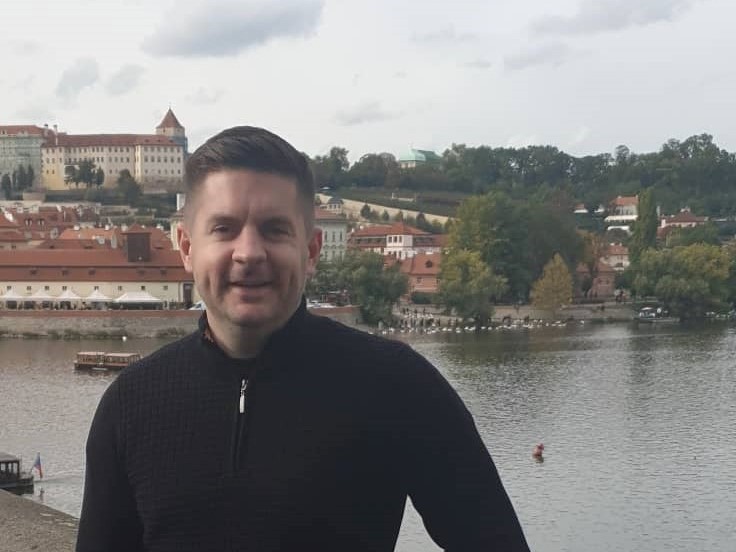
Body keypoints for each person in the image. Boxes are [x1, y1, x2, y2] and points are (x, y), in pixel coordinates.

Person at [76, 126, 530, 551]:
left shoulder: (398, 386)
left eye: (274, 229)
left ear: (310, 251)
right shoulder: (129, 405)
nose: (249, 253)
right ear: (187, 248)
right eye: (224, 228)